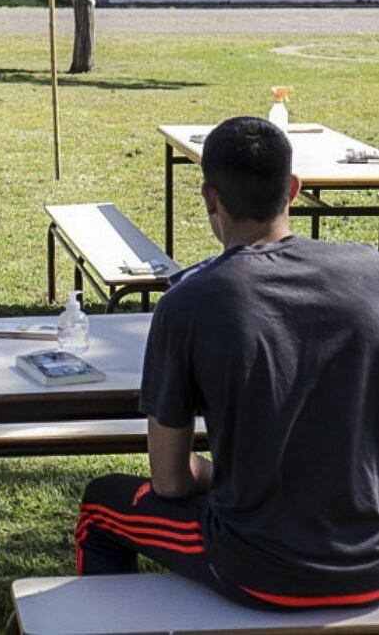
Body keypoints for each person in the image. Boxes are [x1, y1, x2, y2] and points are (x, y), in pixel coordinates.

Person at [76, 115, 379, 608]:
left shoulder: (190, 301)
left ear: (209, 198)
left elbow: (170, 481)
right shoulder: (371, 271)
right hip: (371, 564)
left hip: (262, 568)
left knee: (100, 505)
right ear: (294, 189)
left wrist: (228, 477)